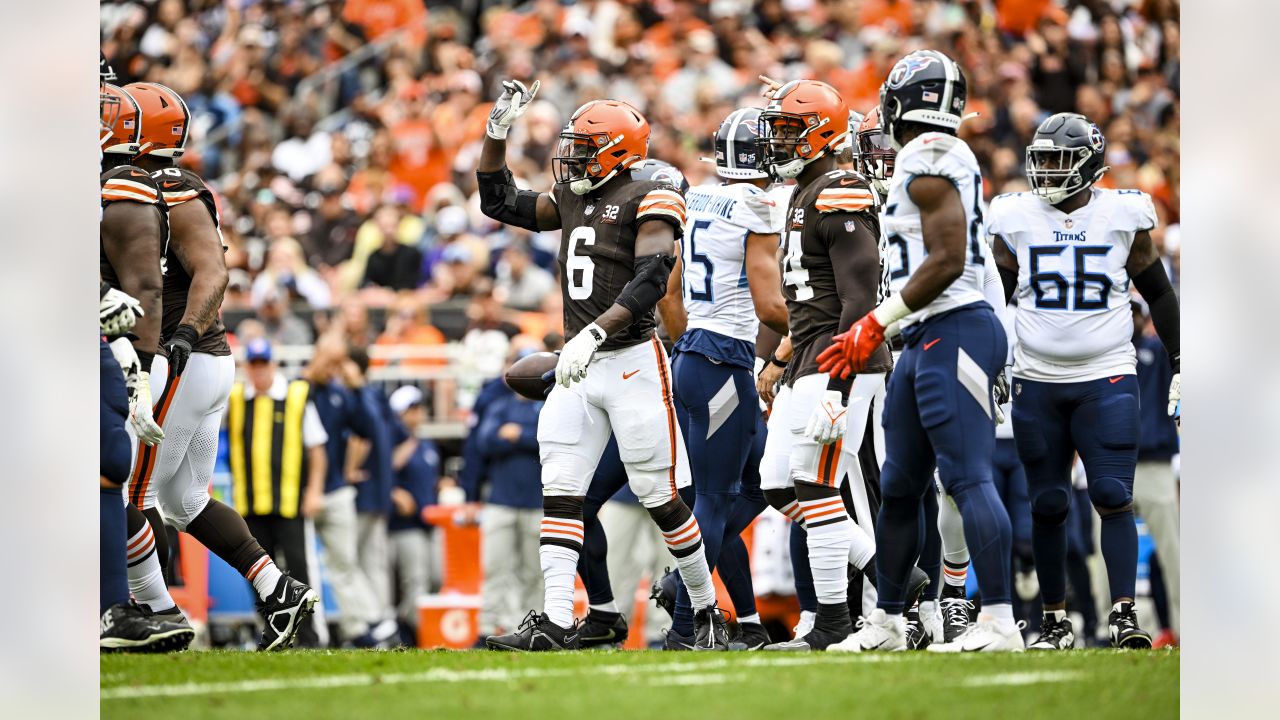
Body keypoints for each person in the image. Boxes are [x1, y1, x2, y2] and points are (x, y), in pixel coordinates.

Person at [476, 80, 727, 650]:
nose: (572, 157)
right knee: (562, 491)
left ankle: (707, 611)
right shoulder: (572, 195)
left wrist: (594, 332)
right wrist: (495, 134)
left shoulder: (650, 191)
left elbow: (652, 277)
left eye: (584, 147)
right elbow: (498, 200)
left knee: (659, 497)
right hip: (579, 364)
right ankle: (559, 619)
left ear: (617, 149)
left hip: (633, 362)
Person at [820, 50, 1019, 652]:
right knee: (902, 484)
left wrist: (875, 321)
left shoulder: (929, 156)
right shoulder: (924, 154)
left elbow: (948, 258)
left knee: (967, 478)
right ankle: (885, 621)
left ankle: (1000, 620)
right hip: (922, 337)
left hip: (953, 325)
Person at [121, 81, 321, 651]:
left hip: (182, 359)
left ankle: (156, 615)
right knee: (186, 500)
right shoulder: (164, 187)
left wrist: (180, 337)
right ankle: (278, 588)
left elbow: (212, 272)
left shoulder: (169, 191)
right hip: (202, 360)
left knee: (125, 495)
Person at [989, 113, 1180, 650]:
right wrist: (988, 365)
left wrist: (1183, 360)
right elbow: (994, 299)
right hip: (1036, 377)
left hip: (1107, 373)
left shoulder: (1123, 215)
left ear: (1090, 165)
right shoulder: (1015, 218)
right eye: (1041, 160)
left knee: (1112, 492)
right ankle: (1054, 620)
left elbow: (1159, 296)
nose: (1046, 172)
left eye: (1058, 160)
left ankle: (1123, 618)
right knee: (1047, 502)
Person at [754, 79, 910, 652]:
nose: (776, 141)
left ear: (821, 133)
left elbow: (860, 298)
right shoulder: (805, 190)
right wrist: (783, 360)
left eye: (789, 129)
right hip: (811, 357)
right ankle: (893, 577)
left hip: (843, 360)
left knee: (816, 486)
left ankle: (832, 623)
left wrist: (837, 381)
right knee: (778, 482)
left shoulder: (841, 188)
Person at [660, 109, 784, 649]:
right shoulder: (756, 206)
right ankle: (687, 625)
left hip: (693, 353)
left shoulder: (697, 197)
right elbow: (770, 305)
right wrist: (815, 321)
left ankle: (726, 610)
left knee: (759, 483)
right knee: (713, 499)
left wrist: (695, 339)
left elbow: (668, 294)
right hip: (723, 360)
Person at [98, 76, 192, 652]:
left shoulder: (121, 186)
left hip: (108, 337)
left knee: (111, 461)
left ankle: (117, 607)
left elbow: (140, 287)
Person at [226, 338, 326, 648]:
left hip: (289, 503)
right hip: (250, 503)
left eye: (263, 364)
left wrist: (314, 491)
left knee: (299, 569)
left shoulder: (295, 396)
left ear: (273, 365)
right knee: (256, 573)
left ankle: (310, 637)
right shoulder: (237, 398)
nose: (258, 371)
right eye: (253, 365)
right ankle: (273, 631)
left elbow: (317, 448)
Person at [304, 333, 384, 646]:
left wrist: (359, 387)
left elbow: (369, 428)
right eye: (332, 361)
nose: (335, 369)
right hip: (300, 493)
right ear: (317, 354)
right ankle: (307, 631)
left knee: (345, 564)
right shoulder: (297, 391)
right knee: (299, 567)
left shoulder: (339, 393)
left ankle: (360, 629)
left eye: (340, 363)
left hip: (335, 490)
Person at [474, 361, 546, 641]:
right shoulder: (499, 406)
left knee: (533, 573)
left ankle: (531, 630)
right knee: (495, 569)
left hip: (536, 503)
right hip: (501, 502)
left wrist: (517, 434)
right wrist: (524, 437)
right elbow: (485, 440)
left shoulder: (548, 404)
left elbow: (547, 439)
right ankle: (488, 628)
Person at [1131, 301, 1180, 643]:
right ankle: (1108, 628)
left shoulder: (1157, 352)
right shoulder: (1102, 354)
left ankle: (1183, 626)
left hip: (1155, 463)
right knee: (1102, 554)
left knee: (1173, 552)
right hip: (1111, 462)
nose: (1130, 318)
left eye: (1136, 312)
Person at [387, 385, 442, 642]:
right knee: (416, 580)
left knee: (436, 577)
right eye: (412, 408)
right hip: (404, 524)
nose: (419, 412)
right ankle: (411, 633)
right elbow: (382, 475)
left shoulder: (427, 444)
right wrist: (395, 493)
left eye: (420, 407)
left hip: (428, 521)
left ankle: (407, 623)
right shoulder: (393, 444)